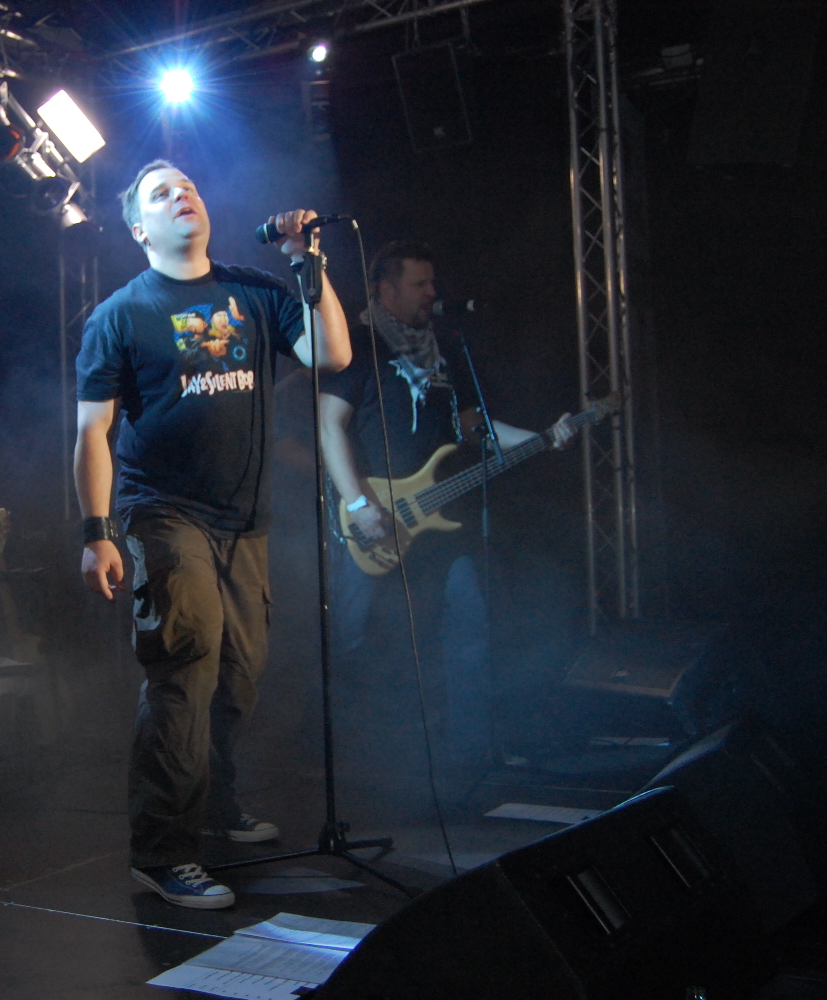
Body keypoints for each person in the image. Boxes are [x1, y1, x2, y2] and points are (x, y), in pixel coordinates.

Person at [74, 160, 351, 909]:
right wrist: (98, 531)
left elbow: (330, 354)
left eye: (188, 187)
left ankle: (218, 803)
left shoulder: (254, 289)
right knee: (185, 661)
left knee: (239, 674)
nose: (182, 196)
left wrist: (305, 262)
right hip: (161, 511)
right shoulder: (120, 315)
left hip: (244, 520)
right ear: (140, 230)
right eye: (161, 194)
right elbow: (93, 432)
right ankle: (162, 852)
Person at [317, 240, 573, 811]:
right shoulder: (356, 347)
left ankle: (469, 759)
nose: (433, 294)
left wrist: (540, 439)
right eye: (420, 284)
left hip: (439, 521)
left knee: (467, 626)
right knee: (358, 639)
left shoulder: (444, 352)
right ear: (385, 290)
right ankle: (357, 767)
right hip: (373, 519)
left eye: (433, 283)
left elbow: (473, 426)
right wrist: (358, 505)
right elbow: (329, 426)